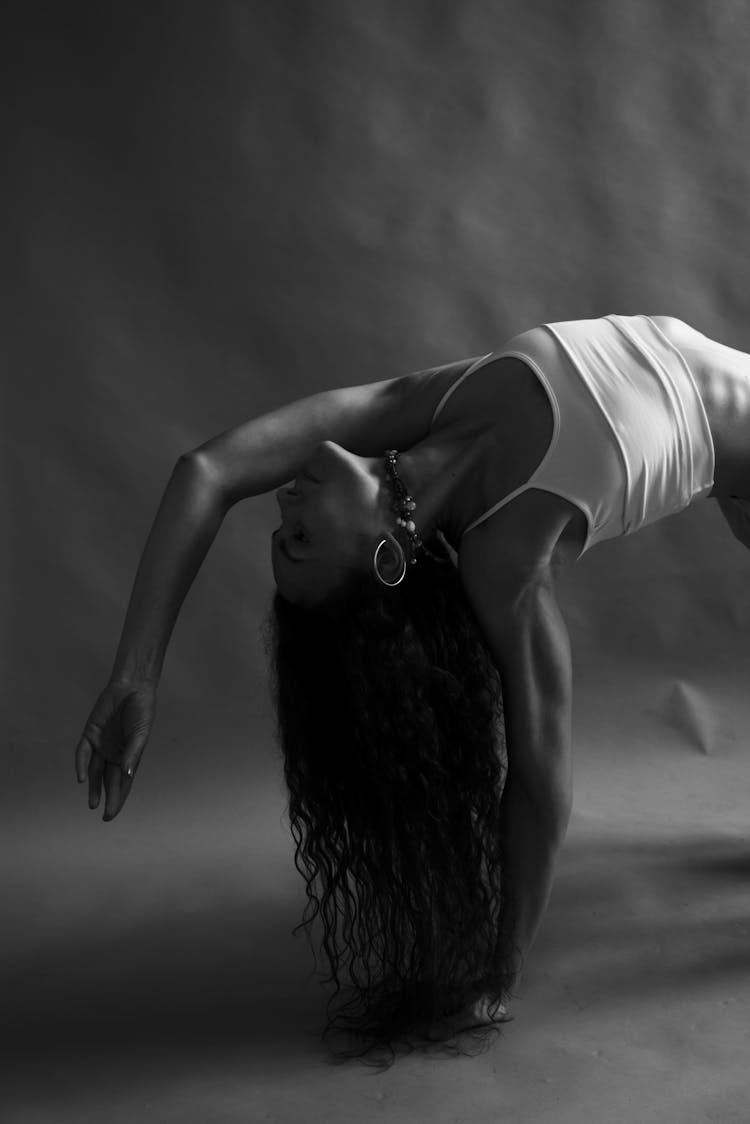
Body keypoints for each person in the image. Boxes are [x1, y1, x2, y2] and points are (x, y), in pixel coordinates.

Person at [74, 313, 750, 1063]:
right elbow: (539, 779)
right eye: (299, 540)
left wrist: (136, 674)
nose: (282, 506)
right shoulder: (504, 561)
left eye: (283, 528)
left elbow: (207, 472)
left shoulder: (419, 407)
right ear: (384, 564)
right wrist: (504, 965)